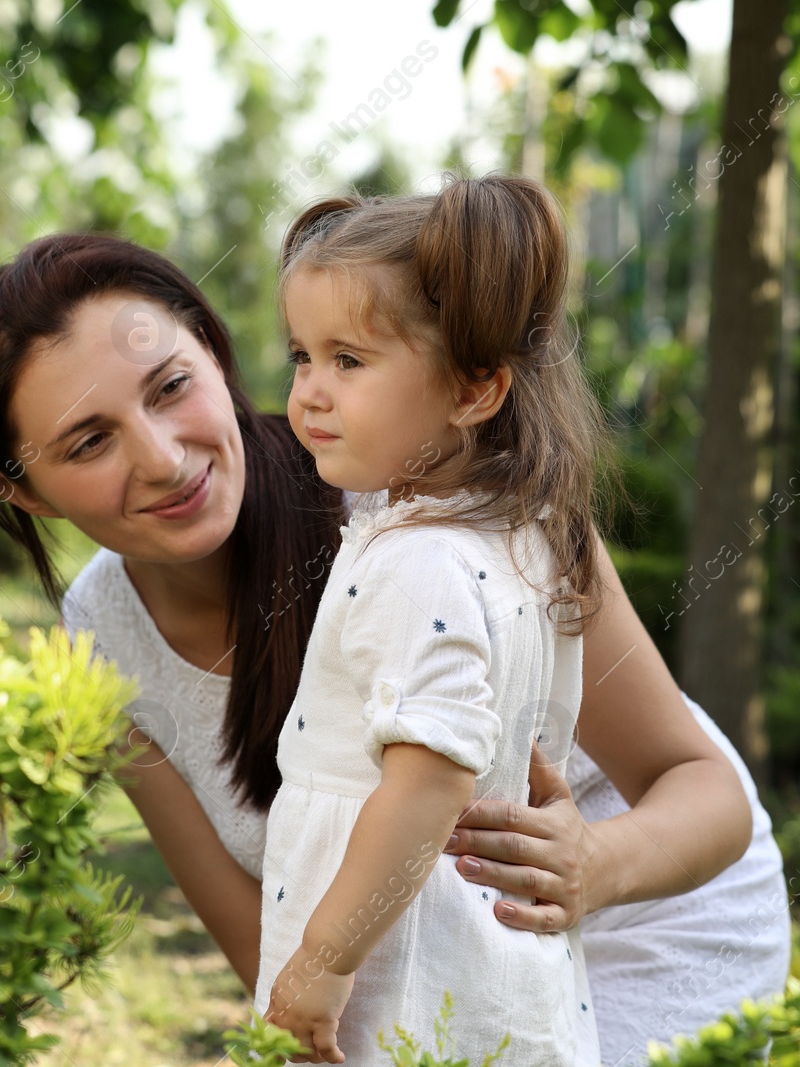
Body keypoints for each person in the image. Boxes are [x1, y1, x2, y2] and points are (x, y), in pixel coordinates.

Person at [0, 219, 790, 1066]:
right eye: (90, 441)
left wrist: (594, 865)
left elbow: (703, 790)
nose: (164, 458)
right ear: (23, 493)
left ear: (214, 352)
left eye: (170, 386)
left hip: (650, 914)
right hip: (436, 971)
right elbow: (274, 963)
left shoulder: (442, 490)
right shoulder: (102, 637)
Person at [253, 176, 603, 1063]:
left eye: (349, 360)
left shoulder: (418, 561)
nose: (310, 392)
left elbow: (429, 779)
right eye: (301, 356)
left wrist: (326, 960)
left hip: (403, 984)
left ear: (474, 390)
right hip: (485, 974)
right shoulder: (517, 537)